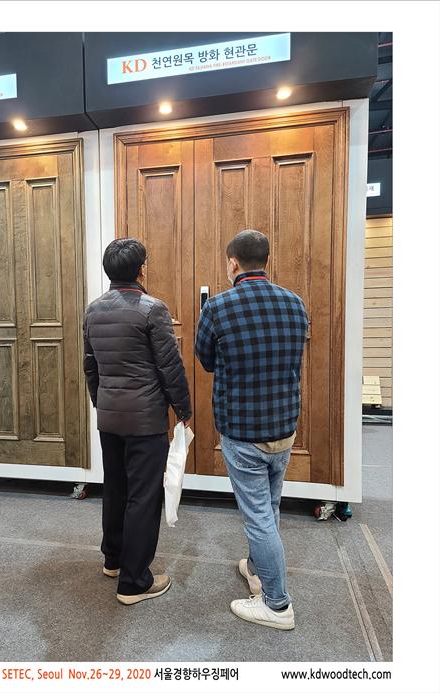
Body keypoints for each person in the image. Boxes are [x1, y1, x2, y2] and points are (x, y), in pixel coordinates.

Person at [195, 230, 308, 630]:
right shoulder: (295, 303)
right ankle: (258, 570)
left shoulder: (217, 307)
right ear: (267, 261)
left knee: (258, 516)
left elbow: (206, 360)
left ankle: (277, 605)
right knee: (270, 507)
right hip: (284, 427)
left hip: (243, 432)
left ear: (233, 263)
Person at [83, 238, 192, 605]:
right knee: (144, 497)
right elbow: (170, 367)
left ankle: (113, 560)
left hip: (109, 416)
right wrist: (183, 409)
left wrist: (102, 402)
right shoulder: (152, 309)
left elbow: (91, 367)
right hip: (145, 420)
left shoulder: (93, 310)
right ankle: (134, 582)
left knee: (116, 488)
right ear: (141, 269)